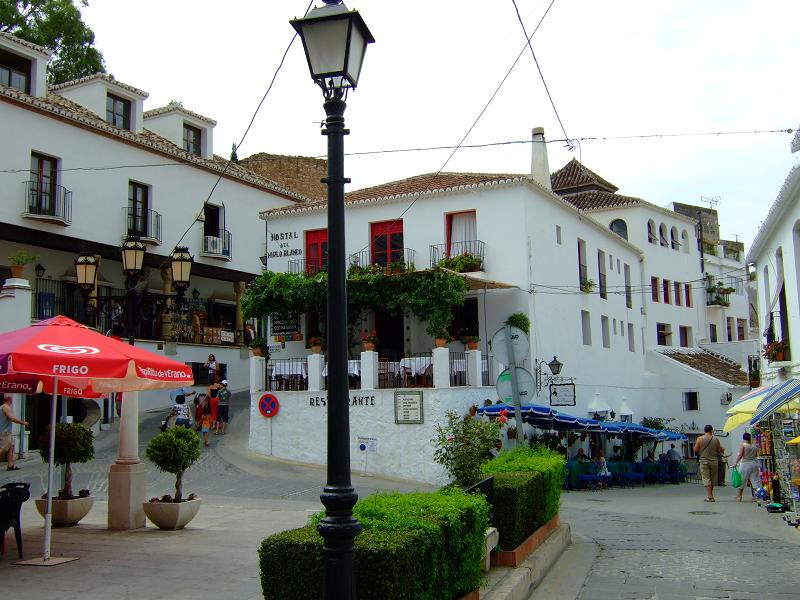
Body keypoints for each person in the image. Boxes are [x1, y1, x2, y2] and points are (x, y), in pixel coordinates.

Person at [693, 424, 725, 502]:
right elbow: (719, 451)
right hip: (714, 461)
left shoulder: (700, 439)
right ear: (711, 430)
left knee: (706, 478)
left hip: (704, 461)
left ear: (704, 430)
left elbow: (695, 450)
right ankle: (710, 495)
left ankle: (710, 496)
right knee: (712, 478)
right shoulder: (716, 439)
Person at [1, 394, 28, 471]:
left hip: (4, 431)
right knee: (2, 449)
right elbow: (11, 418)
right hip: (5, 432)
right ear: (10, 400)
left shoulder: (1, 407)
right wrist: (23, 423)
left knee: (11, 447)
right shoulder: (6, 407)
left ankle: (10, 465)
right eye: (11, 400)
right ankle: (10, 465)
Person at [732, 432, 759, 502]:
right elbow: (756, 455)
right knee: (754, 481)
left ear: (743, 438)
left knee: (743, 480)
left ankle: (739, 496)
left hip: (745, 464)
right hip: (754, 464)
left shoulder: (743, 445)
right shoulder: (754, 446)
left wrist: (735, 463)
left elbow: (741, 454)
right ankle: (756, 496)